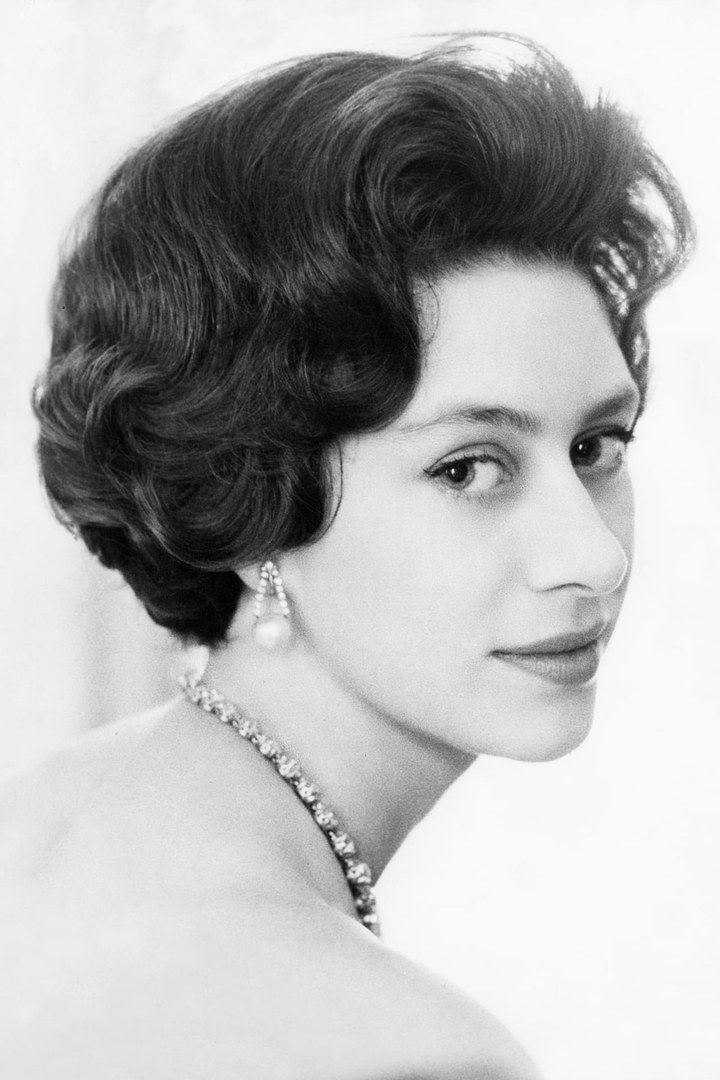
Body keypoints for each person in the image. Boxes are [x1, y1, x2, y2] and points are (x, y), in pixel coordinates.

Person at [1, 34, 692, 1080]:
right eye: (468, 468)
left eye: (595, 449)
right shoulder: (412, 1058)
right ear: (255, 498)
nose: (590, 556)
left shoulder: (48, 815)